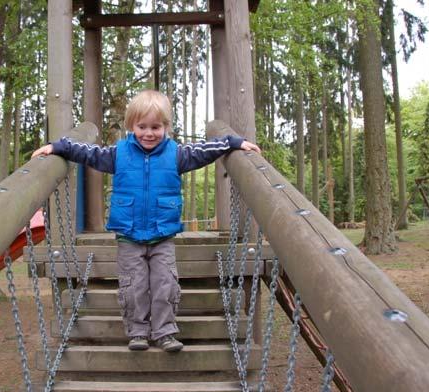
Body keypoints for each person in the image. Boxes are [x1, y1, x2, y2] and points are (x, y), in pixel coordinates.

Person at [32, 90, 260, 352]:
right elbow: (87, 152)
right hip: (129, 235)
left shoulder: (176, 154)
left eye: (156, 127)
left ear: (166, 127)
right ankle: (138, 331)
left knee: (165, 284)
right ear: (131, 126)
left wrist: (234, 142)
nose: (148, 133)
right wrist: (58, 147)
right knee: (134, 285)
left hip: (163, 235)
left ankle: (164, 331)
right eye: (142, 127)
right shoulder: (118, 154)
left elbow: (204, 151)